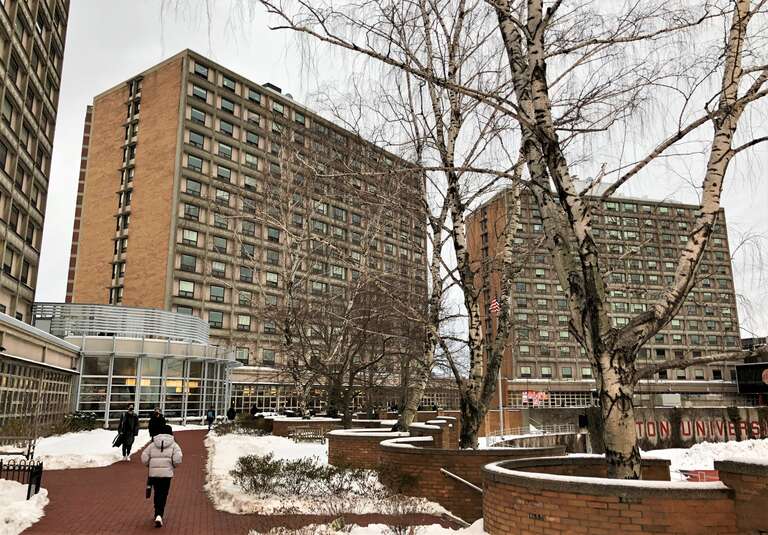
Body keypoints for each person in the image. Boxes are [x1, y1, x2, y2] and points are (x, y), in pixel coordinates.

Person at [141, 424, 182, 528]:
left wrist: (149, 465)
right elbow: (178, 458)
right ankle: (159, 514)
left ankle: (157, 513)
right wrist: (173, 465)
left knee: (157, 492)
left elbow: (144, 457)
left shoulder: (152, 444)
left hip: (154, 474)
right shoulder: (174, 444)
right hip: (166, 475)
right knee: (163, 494)